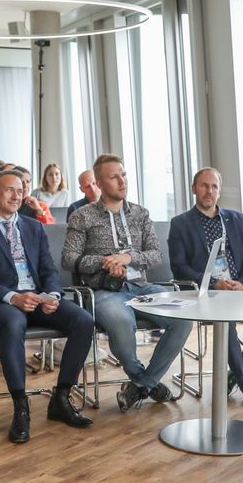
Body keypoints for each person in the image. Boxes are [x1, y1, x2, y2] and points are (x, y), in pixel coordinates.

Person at [0, 169, 96, 442]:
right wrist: (13, 297)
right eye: (10, 190)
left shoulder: (34, 226)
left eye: (20, 190)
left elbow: (49, 270)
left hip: (38, 297)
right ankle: (20, 407)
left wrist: (52, 296)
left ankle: (61, 397)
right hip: (2, 301)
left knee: (83, 320)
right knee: (13, 324)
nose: (16, 195)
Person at [63, 154, 192, 411]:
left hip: (142, 287)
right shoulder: (82, 216)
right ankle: (148, 383)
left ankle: (142, 384)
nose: (122, 181)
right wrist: (105, 261)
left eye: (123, 174)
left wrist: (128, 257)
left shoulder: (140, 214)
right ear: (99, 183)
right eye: (114, 177)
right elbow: (69, 259)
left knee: (184, 320)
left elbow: (156, 254)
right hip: (103, 290)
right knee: (122, 324)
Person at [168, 167, 243, 406]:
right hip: (207, 293)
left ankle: (236, 373)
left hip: (238, 288)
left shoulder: (236, 219)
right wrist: (215, 283)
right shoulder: (180, 224)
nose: (209, 191)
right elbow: (179, 268)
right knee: (227, 319)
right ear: (194, 189)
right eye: (204, 186)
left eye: (214, 186)